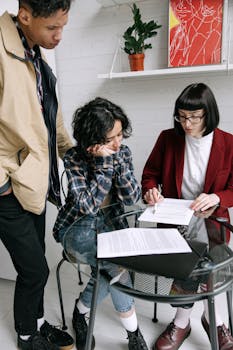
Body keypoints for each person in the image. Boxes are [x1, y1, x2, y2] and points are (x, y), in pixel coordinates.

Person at [0, 1, 75, 349]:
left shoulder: (34, 53)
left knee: (38, 263)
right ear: (26, 15)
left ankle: (39, 322)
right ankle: (26, 336)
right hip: (8, 185)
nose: (59, 36)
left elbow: (49, 116)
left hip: (34, 182)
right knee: (35, 270)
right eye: (52, 28)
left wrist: (72, 154)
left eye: (63, 26)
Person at [141, 83, 233, 350]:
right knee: (187, 271)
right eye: (181, 116)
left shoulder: (228, 143)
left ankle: (214, 320)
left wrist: (217, 198)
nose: (186, 123)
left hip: (214, 222)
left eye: (194, 117)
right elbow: (150, 175)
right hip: (176, 220)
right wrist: (150, 191)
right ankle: (184, 322)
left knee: (216, 268)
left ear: (208, 114)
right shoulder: (168, 138)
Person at [53, 97, 149, 350]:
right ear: (92, 140)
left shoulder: (122, 152)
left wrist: (115, 162)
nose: (118, 143)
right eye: (110, 139)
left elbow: (132, 197)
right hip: (77, 228)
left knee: (112, 267)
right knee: (117, 265)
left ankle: (81, 312)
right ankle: (133, 333)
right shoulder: (74, 158)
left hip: (112, 223)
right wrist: (104, 165)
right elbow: (87, 205)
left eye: (120, 135)